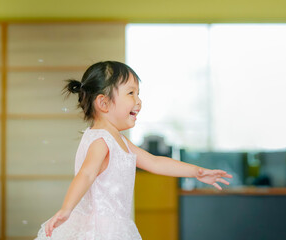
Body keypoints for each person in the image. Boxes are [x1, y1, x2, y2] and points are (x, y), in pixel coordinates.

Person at [34, 61, 233, 240]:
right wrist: (66, 209)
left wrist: (196, 172)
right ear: (103, 103)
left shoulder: (118, 140)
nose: (138, 101)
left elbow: (155, 162)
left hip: (117, 227)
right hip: (101, 230)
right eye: (131, 93)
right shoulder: (101, 140)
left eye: (138, 94)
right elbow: (86, 173)